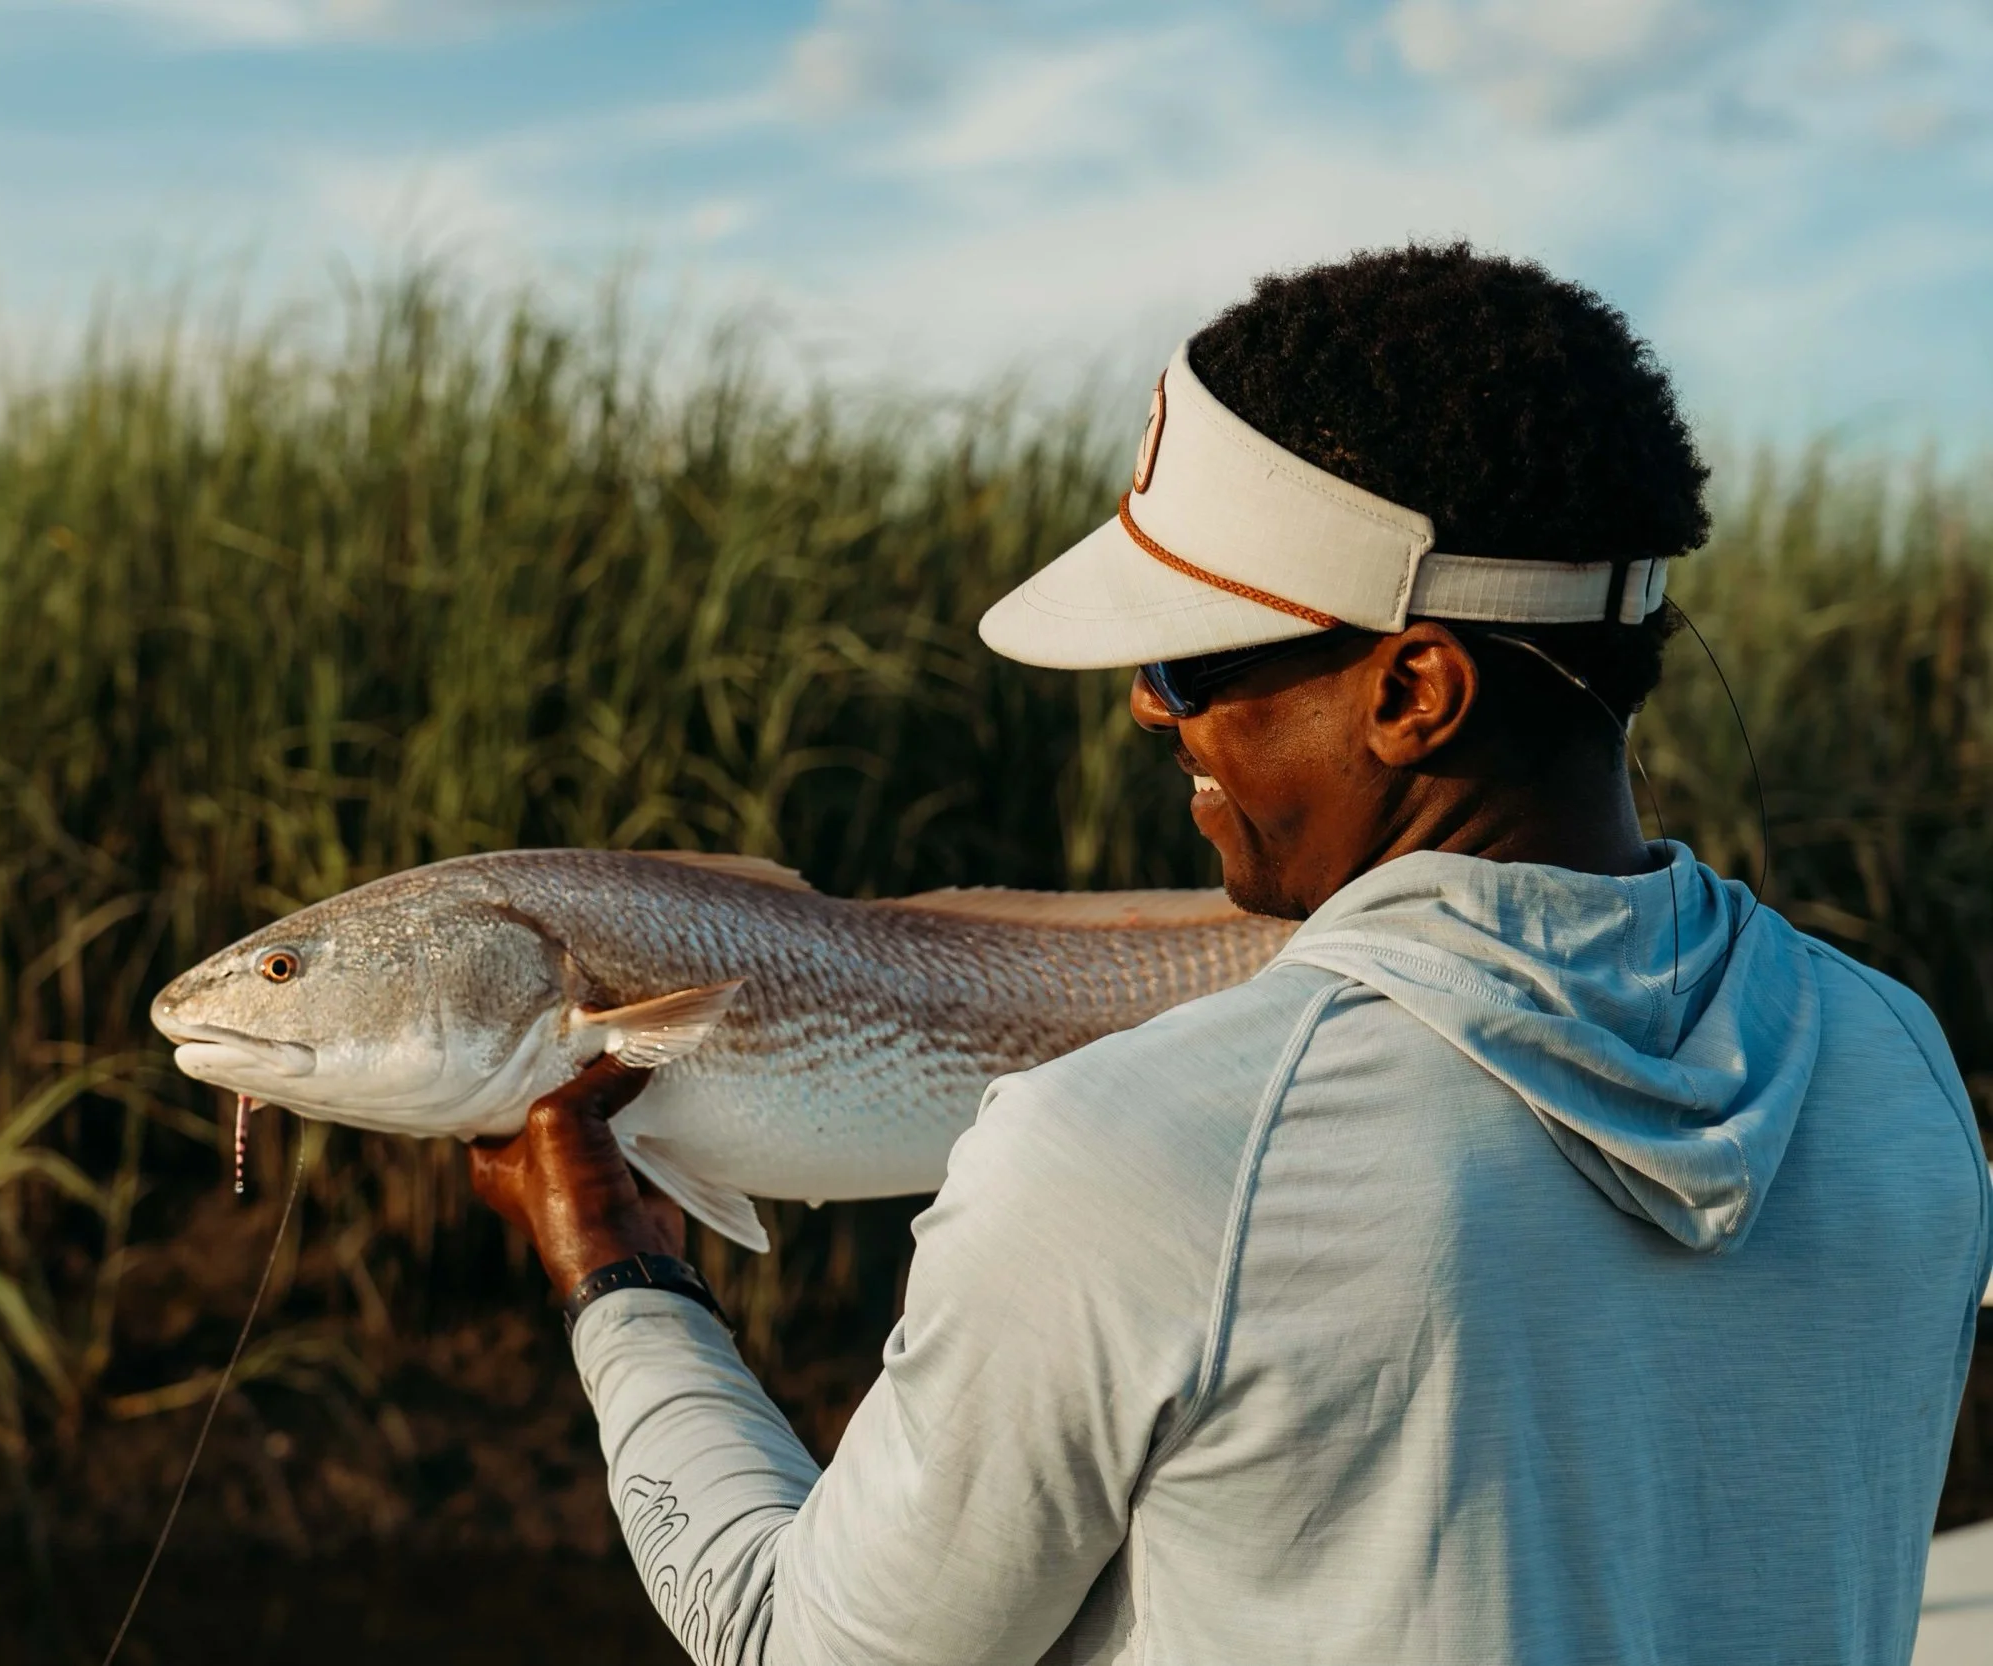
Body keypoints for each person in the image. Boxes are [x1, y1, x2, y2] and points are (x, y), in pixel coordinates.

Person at [468, 244, 1992, 1664]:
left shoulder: (1134, 1157)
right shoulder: (1896, 1068)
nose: (1148, 708)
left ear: (1416, 692)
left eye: (1189, 660)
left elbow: (791, 1641)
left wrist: (625, 1278)